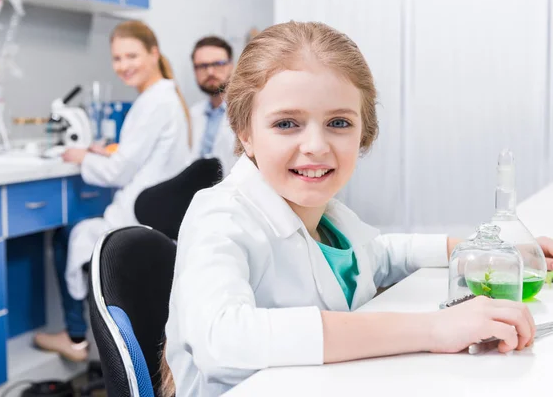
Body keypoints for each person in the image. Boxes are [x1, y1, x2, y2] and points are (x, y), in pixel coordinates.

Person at [162, 21, 553, 396]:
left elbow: (383, 254)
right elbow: (223, 339)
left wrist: (487, 253)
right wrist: (433, 329)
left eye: (338, 122)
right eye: (286, 124)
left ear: (363, 133)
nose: (315, 144)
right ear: (245, 133)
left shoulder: (331, 218)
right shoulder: (219, 215)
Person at [34, 20, 190, 362]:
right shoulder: (164, 97)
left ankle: (75, 337)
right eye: (117, 58)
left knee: (66, 236)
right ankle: (80, 333)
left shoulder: (154, 102)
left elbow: (118, 172)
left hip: (138, 217)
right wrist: (105, 151)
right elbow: (138, 156)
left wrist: (80, 155)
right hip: (155, 216)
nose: (124, 66)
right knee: (72, 234)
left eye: (131, 55)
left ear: (153, 53)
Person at [189, 36, 237, 173]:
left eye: (218, 64)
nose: (210, 72)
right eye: (202, 66)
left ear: (231, 66)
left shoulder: (246, 112)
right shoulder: (193, 114)